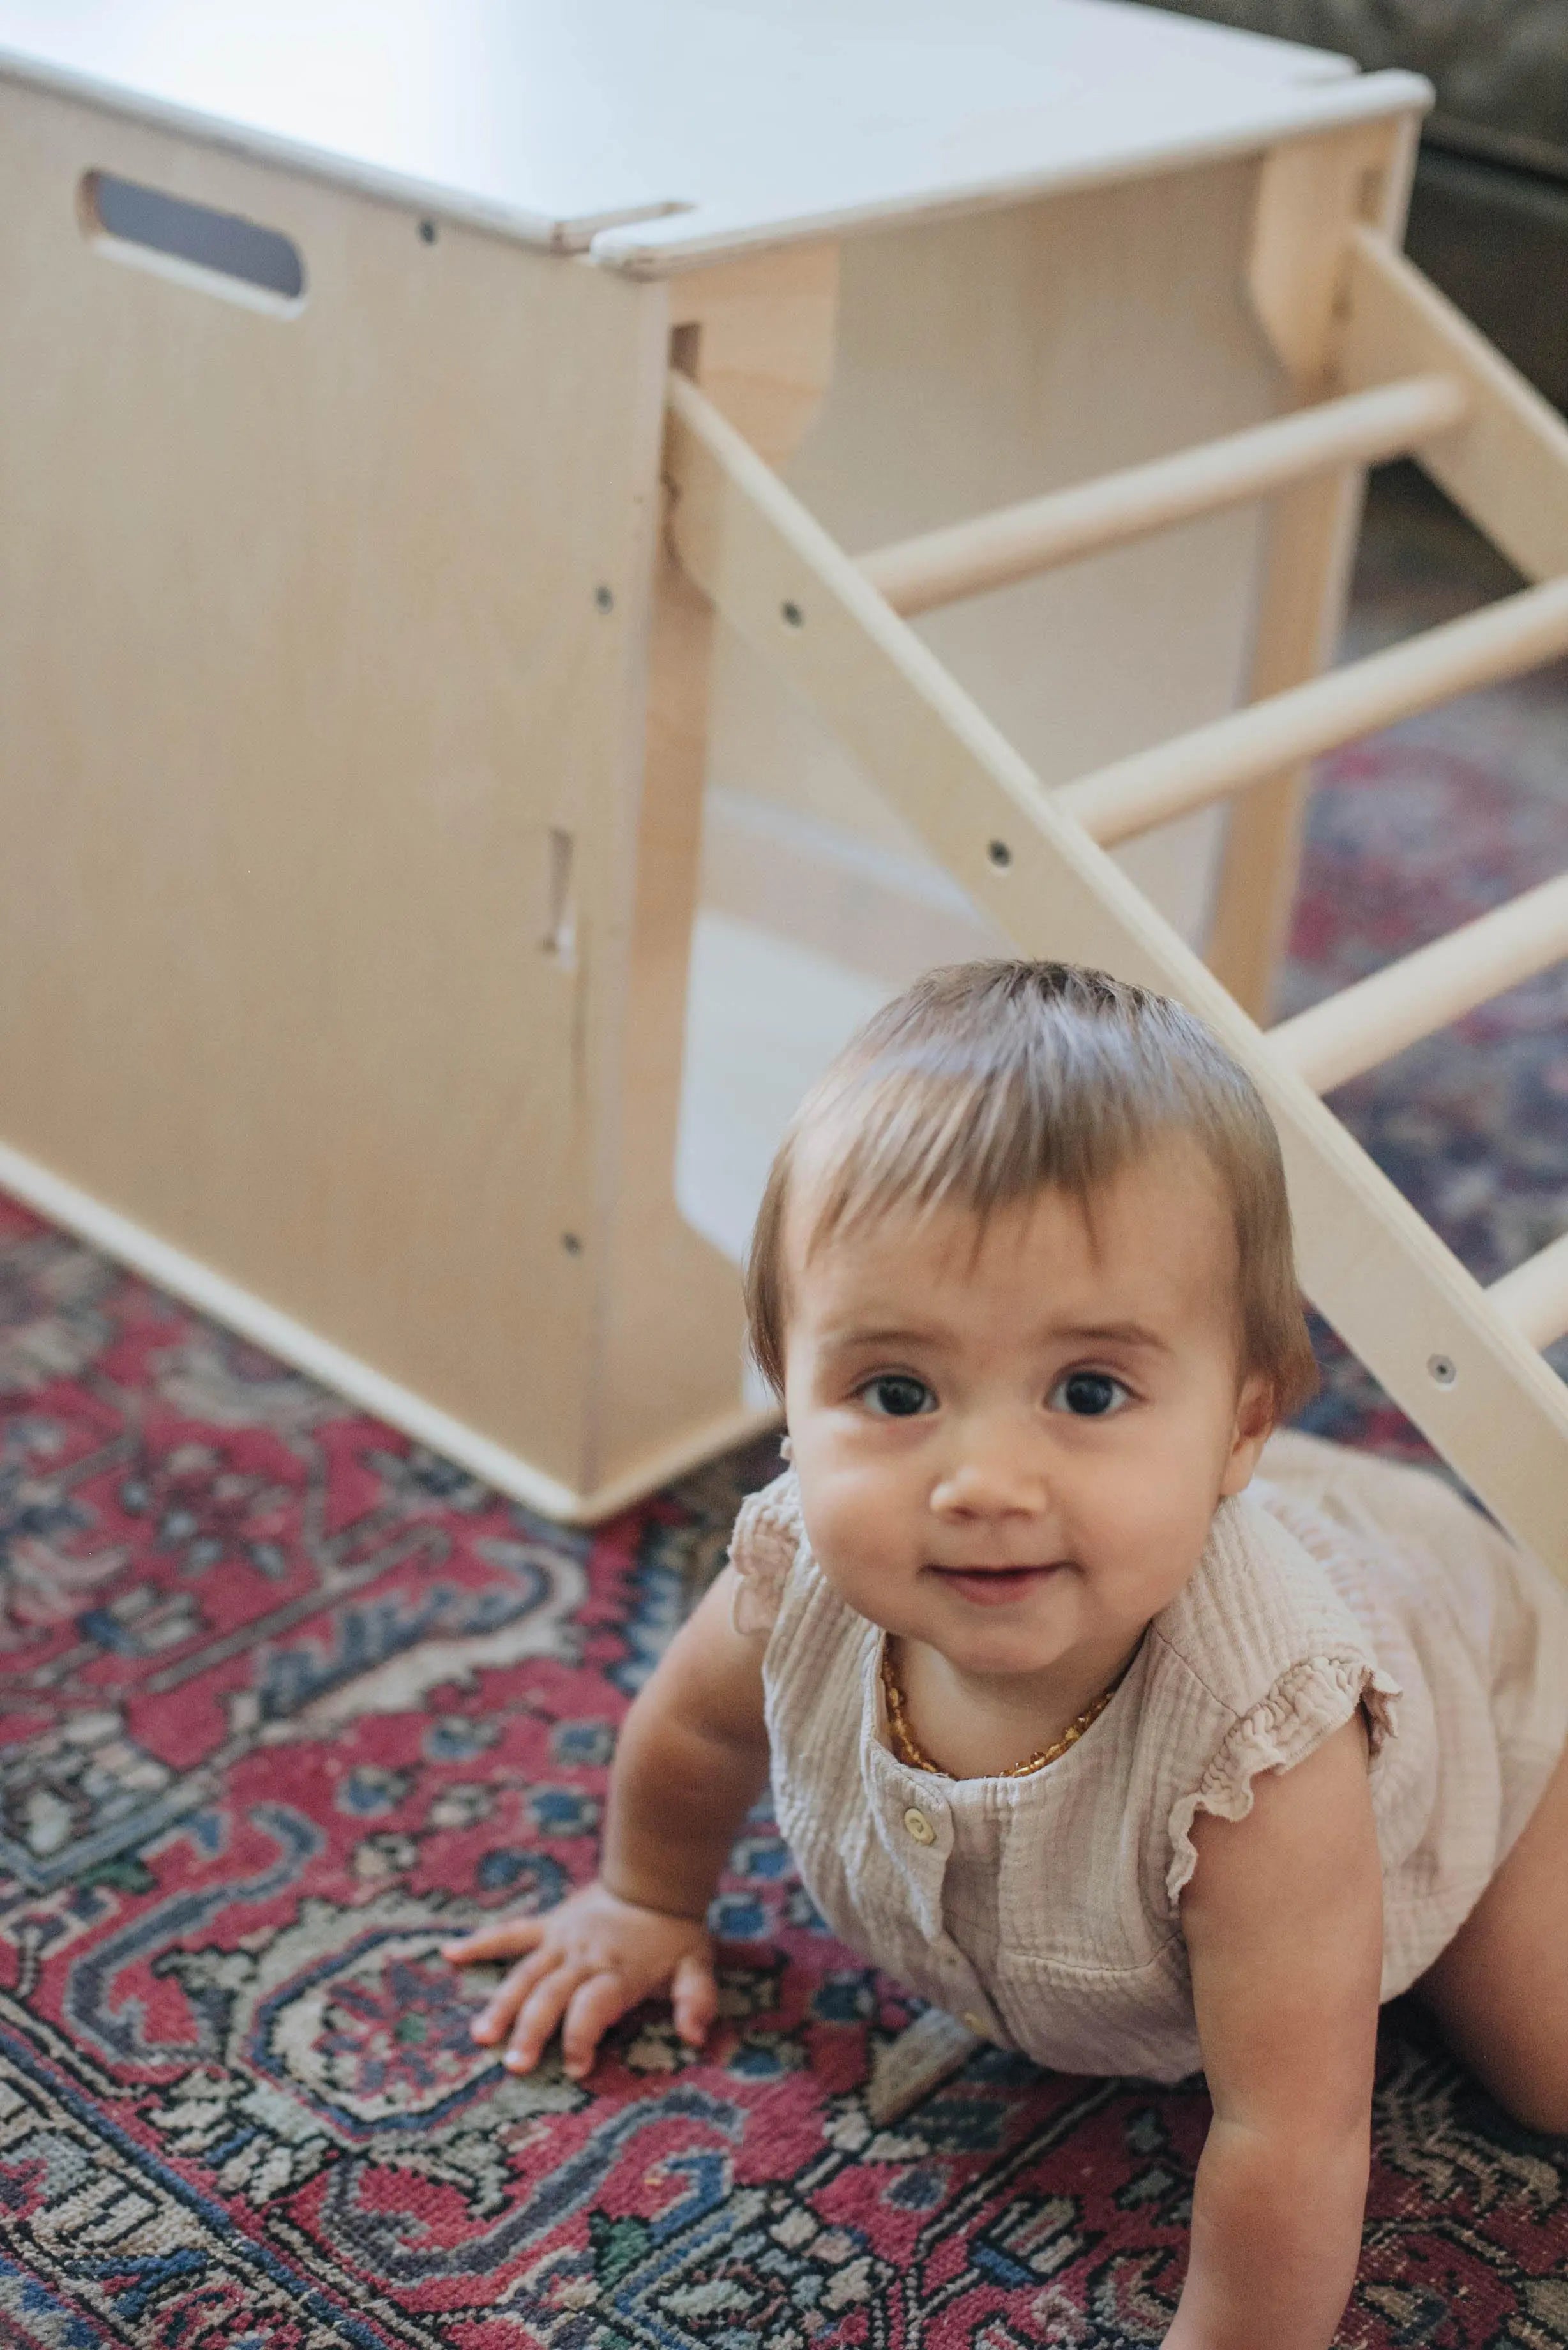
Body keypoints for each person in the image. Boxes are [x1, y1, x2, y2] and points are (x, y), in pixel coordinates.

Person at [444, 960, 1568, 2350]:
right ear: (788, 1394)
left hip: (1486, 1685)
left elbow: (1292, 2124)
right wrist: (643, 1896)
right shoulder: (798, 1565)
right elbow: (694, 1734)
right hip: (1187, 1512)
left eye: (1086, 1390)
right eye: (897, 1391)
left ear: (1240, 1424)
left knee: (1548, 2053)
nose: (982, 1479)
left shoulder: (1265, 1740)